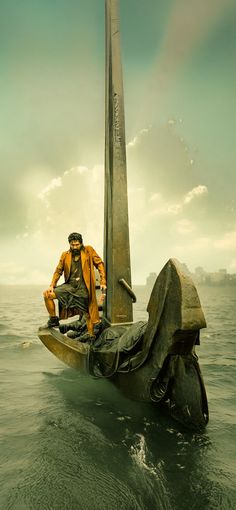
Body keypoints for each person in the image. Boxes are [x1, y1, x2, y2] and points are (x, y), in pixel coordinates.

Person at [43, 232, 106, 338]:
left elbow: (99, 263)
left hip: (84, 288)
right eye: (73, 245)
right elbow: (58, 271)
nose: (75, 247)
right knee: (47, 295)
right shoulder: (65, 255)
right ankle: (53, 320)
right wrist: (52, 285)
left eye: (77, 244)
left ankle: (91, 338)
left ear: (81, 243)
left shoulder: (89, 250)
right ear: (69, 244)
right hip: (69, 287)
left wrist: (103, 281)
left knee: (88, 314)